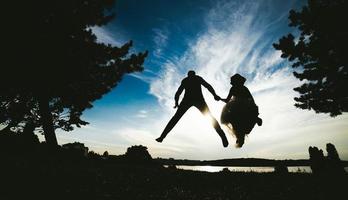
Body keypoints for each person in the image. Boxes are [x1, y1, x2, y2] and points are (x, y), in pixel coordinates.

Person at [156, 70, 229, 147]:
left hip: (195, 100)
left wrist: (214, 95)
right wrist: (214, 95)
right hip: (190, 101)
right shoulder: (191, 79)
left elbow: (178, 93)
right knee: (176, 118)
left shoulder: (191, 79)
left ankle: (222, 136)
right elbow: (178, 92)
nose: (191, 77)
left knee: (209, 117)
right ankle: (162, 137)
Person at [220, 73, 262, 147]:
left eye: (233, 82)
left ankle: (255, 119)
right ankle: (240, 137)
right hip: (239, 108)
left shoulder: (242, 88)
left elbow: (250, 99)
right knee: (238, 125)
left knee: (240, 125)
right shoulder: (234, 88)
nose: (232, 84)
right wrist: (220, 99)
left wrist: (253, 109)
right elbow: (227, 100)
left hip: (243, 108)